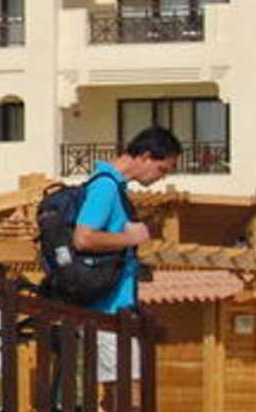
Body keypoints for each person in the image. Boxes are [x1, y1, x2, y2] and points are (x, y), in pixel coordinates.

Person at [71, 126, 182, 392]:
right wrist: (130, 239)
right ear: (145, 156)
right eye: (162, 169)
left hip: (113, 309)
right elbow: (83, 238)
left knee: (119, 397)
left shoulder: (113, 186)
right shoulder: (106, 187)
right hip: (105, 310)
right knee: (127, 395)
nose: (161, 178)